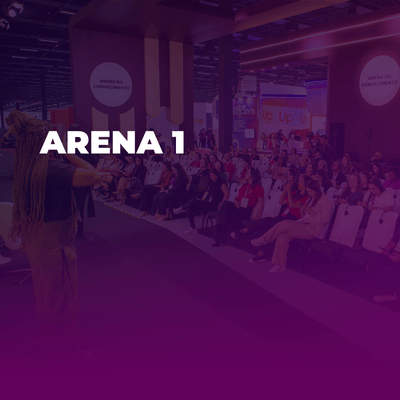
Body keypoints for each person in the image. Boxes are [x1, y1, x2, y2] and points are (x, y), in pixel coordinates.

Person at [5, 110, 107, 357]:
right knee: (62, 294)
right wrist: (67, 152)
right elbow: (93, 174)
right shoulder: (53, 168)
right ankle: (67, 350)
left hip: (36, 237)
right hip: (54, 240)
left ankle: (53, 341)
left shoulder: (27, 166)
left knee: (46, 293)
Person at [251, 180, 332, 273]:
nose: (309, 193)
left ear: (316, 190)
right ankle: (280, 265)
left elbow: (324, 219)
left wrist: (310, 211)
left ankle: (264, 239)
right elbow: (304, 217)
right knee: (282, 237)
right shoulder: (311, 199)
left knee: (285, 223)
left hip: (314, 230)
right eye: (308, 191)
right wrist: (302, 211)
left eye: (310, 191)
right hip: (304, 224)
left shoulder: (326, 201)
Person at [240, 174, 312, 263]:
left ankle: (246, 230)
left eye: (300, 182)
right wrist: (285, 190)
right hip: (282, 217)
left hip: (292, 220)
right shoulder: (295, 193)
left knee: (266, 221)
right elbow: (280, 202)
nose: (298, 183)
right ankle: (261, 255)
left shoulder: (306, 198)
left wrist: (288, 191)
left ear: (306, 185)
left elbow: (292, 205)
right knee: (263, 227)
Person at [213, 168, 264, 247]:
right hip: (238, 206)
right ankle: (220, 238)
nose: (245, 174)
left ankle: (219, 238)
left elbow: (261, 203)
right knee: (225, 204)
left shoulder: (258, 188)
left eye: (248, 172)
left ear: (253, 175)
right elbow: (235, 198)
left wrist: (259, 216)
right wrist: (235, 201)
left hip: (246, 210)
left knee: (224, 215)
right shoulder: (244, 186)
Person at [174, 169, 229, 234]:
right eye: (211, 176)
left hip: (214, 204)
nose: (213, 177)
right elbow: (206, 193)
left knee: (193, 201)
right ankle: (193, 228)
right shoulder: (210, 183)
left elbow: (227, 194)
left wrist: (222, 204)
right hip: (207, 202)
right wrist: (202, 199)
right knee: (189, 209)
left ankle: (182, 208)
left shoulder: (221, 183)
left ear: (217, 175)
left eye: (214, 175)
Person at [366, 215, 400, 302]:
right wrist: (386, 249)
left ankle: (392, 293)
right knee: (375, 261)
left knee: (388, 269)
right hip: (397, 252)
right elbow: (395, 238)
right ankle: (380, 291)